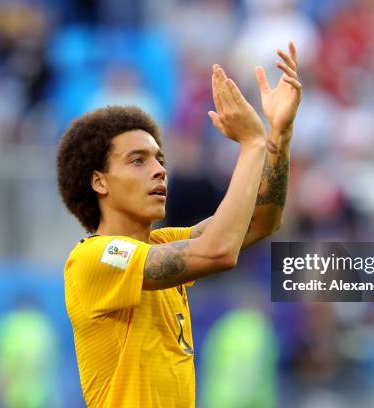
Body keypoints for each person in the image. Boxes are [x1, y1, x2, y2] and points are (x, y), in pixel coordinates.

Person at [56, 42, 301, 407]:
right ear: (99, 182)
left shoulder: (162, 244)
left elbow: (263, 221)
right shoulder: (95, 258)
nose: (159, 170)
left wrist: (277, 136)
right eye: (137, 161)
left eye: (159, 158)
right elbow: (218, 250)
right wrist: (250, 144)